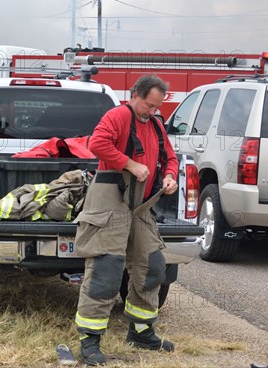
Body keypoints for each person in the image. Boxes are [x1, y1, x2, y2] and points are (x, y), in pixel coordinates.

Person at [73, 75, 179, 366]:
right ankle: (89, 340)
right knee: (106, 269)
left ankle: (141, 331)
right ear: (135, 95)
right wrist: (130, 164)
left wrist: (170, 176)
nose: (152, 112)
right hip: (111, 204)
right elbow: (98, 143)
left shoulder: (156, 124)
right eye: (148, 105)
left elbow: (171, 158)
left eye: (157, 107)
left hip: (142, 208)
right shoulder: (118, 115)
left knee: (152, 265)